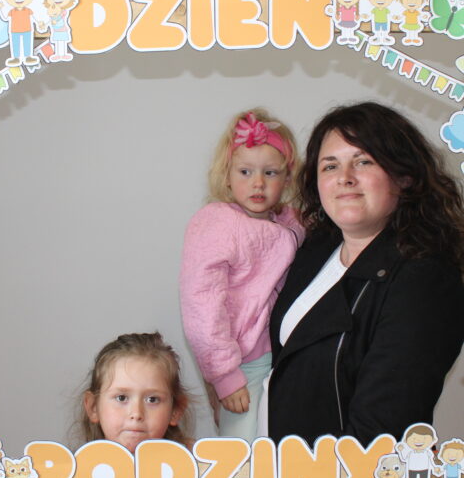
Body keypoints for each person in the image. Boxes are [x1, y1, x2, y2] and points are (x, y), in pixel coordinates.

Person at [261, 101, 464, 446]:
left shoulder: (426, 281)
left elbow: (381, 430)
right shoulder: (317, 248)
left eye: (363, 161)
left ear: (404, 177)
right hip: (284, 463)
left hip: (345, 476)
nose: (345, 178)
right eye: (330, 166)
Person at [180, 109, 304, 442]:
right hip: (242, 360)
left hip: (278, 355)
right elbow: (201, 304)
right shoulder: (217, 223)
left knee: (277, 445)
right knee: (242, 450)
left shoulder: (290, 222)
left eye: (270, 172)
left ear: (287, 178)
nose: (258, 183)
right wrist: (224, 374)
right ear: (227, 175)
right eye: (245, 171)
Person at [81, 332, 192, 453]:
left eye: (152, 400)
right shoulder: (77, 465)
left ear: (175, 410)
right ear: (93, 407)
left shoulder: (191, 463)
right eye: (122, 398)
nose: (136, 413)